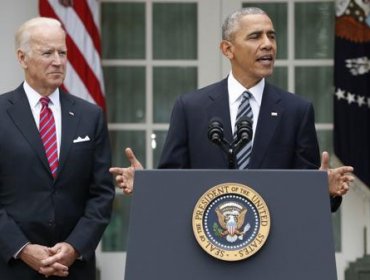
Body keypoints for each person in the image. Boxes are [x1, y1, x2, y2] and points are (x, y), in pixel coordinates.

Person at [110, 7, 353, 210]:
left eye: (272, 36)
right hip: (207, 246)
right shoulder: (191, 108)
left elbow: (307, 194)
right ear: (228, 49)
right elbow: (174, 184)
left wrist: (326, 191)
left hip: (274, 252)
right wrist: (147, 186)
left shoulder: (296, 110)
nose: (268, 44)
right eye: (255, 36)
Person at [0, 17, 114, 279]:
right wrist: (22, 249)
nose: (58, 61)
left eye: (62, 52)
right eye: (47, 52)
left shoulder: (90, 115)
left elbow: (102, 193)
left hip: (73, 267)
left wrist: (74, 247)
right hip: (13, 266)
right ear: (22, 58)